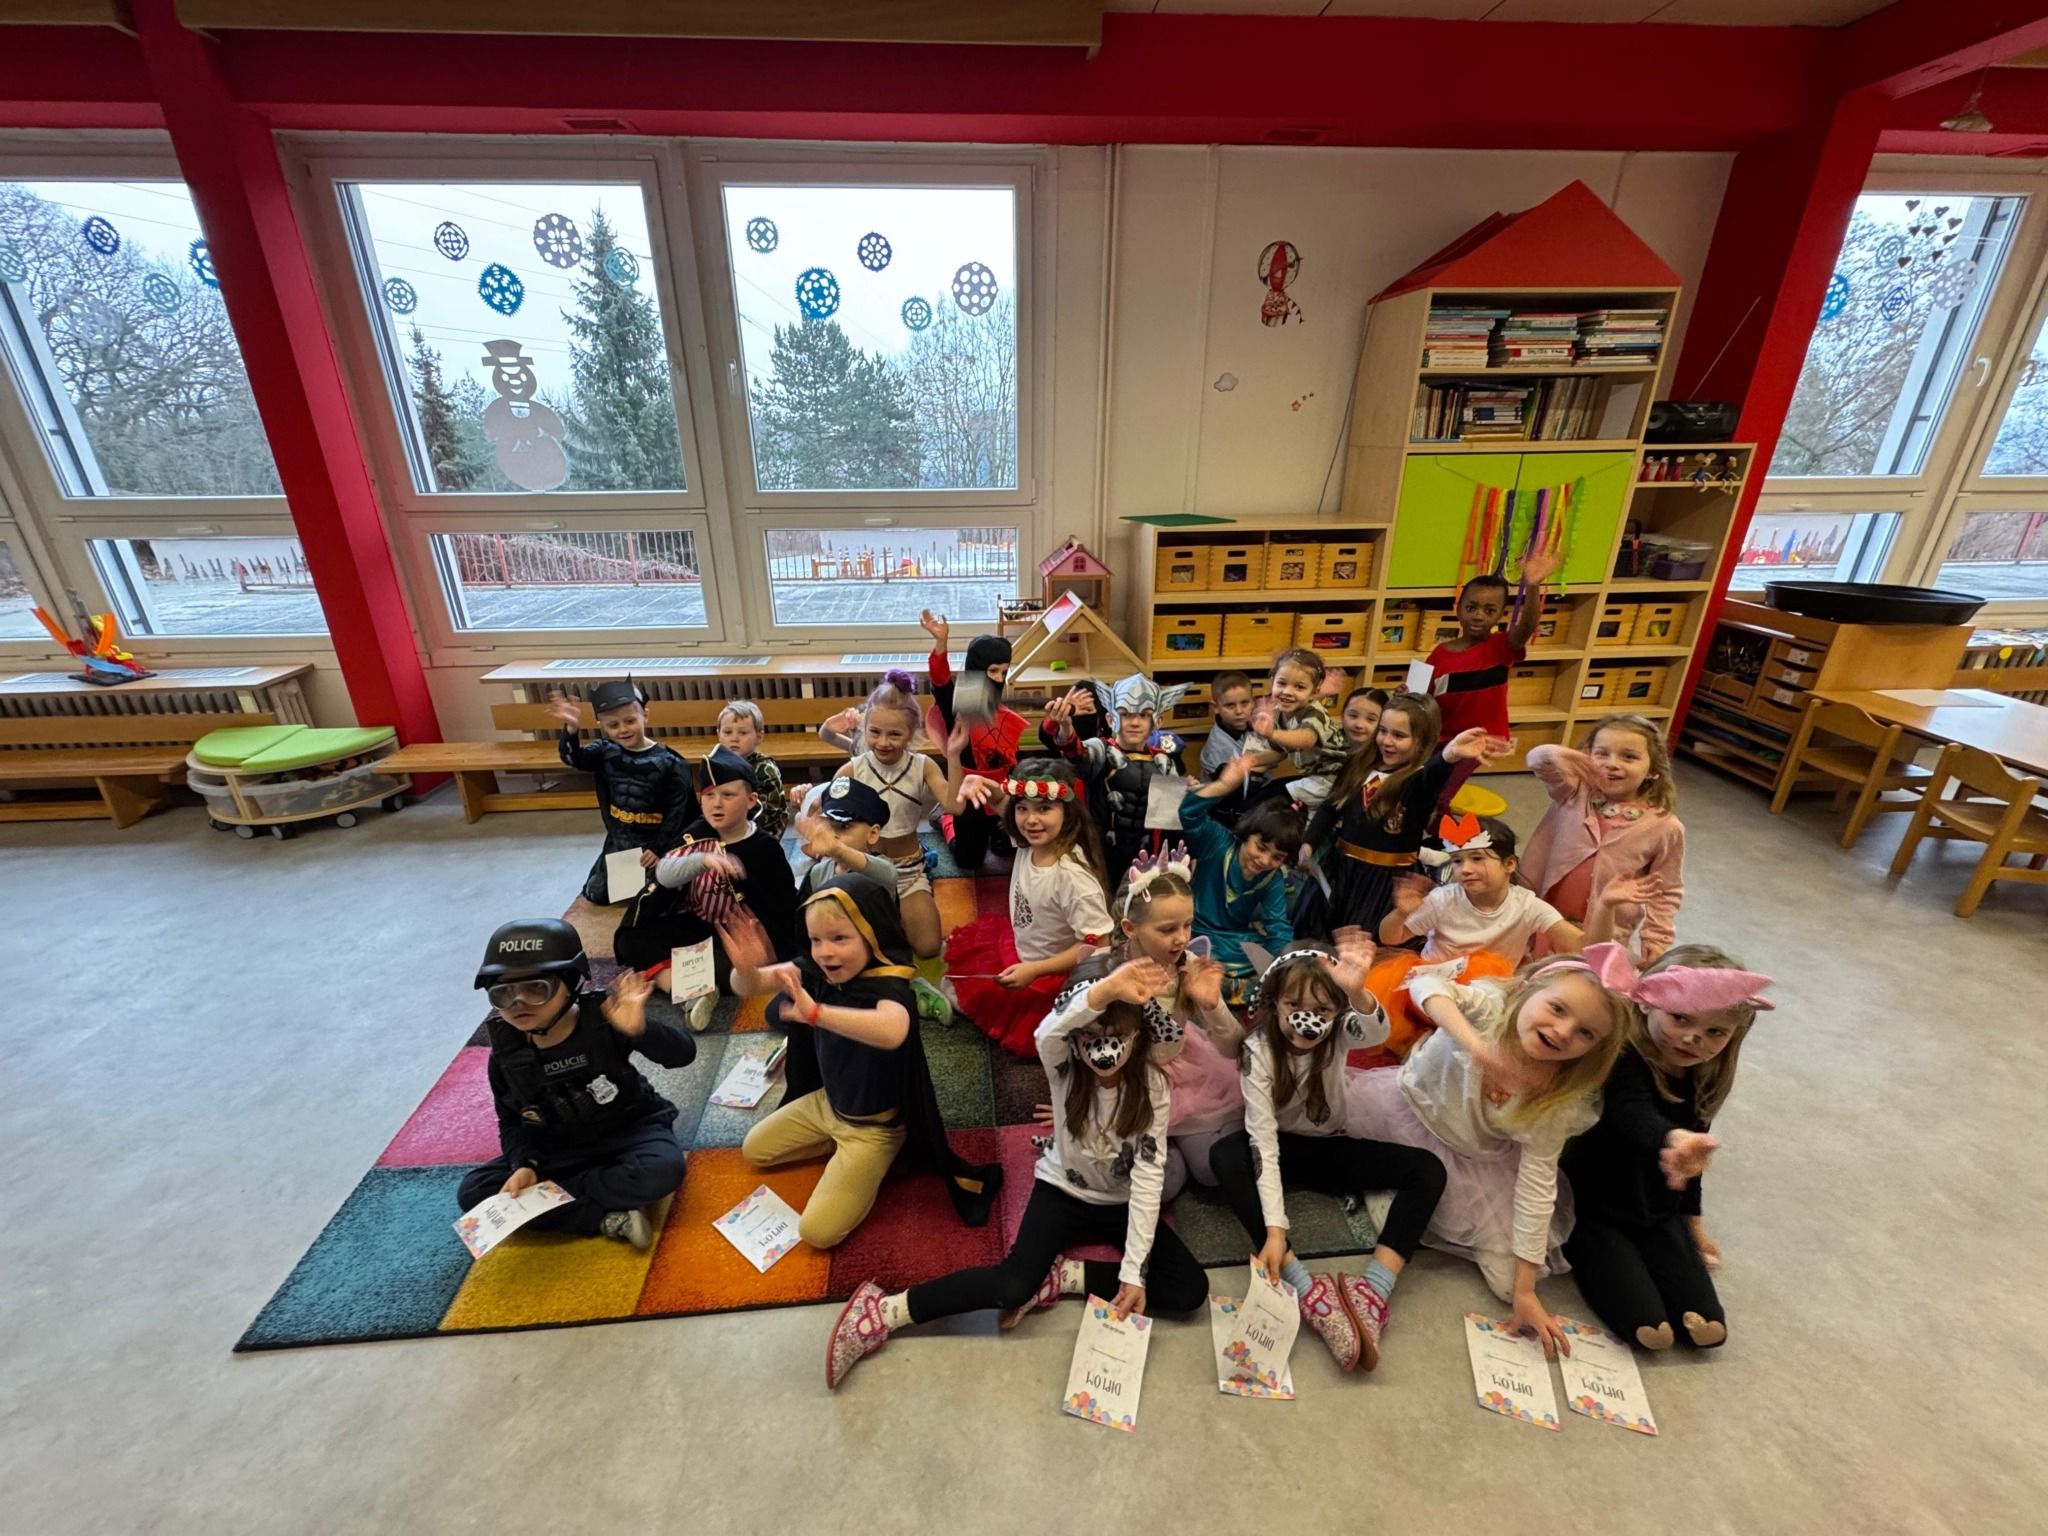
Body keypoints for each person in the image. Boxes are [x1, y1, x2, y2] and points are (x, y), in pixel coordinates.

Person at [823, 956, 1207, 1390]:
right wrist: (1104, 991)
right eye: (1091, 1037)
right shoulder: (1064, 1065)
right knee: (1011, 1287)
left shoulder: (1153, 1084)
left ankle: (1064, 1276)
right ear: (1076, 1037)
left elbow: (1149, 1177)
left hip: (1121, 1201)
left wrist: (1133, 1274)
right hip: (1063, 1190)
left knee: (1189, 1289)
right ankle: (885, 1310)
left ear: (1137, 1035)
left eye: (1117, 1036)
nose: (1105, 1050)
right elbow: (1047, 1032)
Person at [1349, 944, 1636, 1357]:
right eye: (1557, 1009)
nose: (1562, 1031)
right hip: (1405, 1110)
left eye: (1585, 1033)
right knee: (1335, 1132)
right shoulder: (1491, 1007)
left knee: (1507, 1285)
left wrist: (1524, 1290)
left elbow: (1537, 1184)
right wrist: (1478, 1049)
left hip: (1472, 1160)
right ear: (1529, 989)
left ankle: (1403, 1196)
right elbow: (1425, 985)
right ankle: (1391, 1191)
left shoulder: (1558, 1097)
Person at [725, 878, 1002, 1254]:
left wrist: (817, 1014)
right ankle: (839, 1149)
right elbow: (753, 984)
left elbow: (892, 1029)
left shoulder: (891, 984)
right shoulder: (817, 968)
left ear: (872, 934)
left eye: (839, 938)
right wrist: (746, 970)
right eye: (816, 940)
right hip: (829, 1105)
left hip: (874, 1130)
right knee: (754, 1150)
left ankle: (875, 1157)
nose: (825, 952)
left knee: (817, 1233)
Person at [1209, 936, 1449, 1371]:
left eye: (1322, 1009)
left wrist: (1357, 993)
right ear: (1274, 1003)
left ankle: (1373, 1290)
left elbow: (1376, 1031)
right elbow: (1262, 1142)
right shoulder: (1258, 1050)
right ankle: (1308, 1290)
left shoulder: (1340, 1030)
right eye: (1294, 1006)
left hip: (1331, 1145)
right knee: (1226, 1156)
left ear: (1336, 1011)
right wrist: (1275, 1231)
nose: (1307, 1020)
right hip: (1281, 1146)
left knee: (1428, 1169)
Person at [1562, 944, 1773, 1352]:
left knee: (1710, 1327)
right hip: (1595, 1208)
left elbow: (1692, 1168)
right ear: (1647, 1004)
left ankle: (1663, 1250)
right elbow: (1631, 1111)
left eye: (1715, 1032)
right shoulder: (1623, 1056)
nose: (1694, 1038)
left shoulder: (1702, 1076)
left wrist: (1693, 1221)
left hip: (1658, 1210)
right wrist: (1675, 1138)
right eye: (1680, 1018)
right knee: (1650, 1330)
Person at [460, 919, 693, 1249]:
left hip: (629, 1130)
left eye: (536, 988)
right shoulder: (504, 1054)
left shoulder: (606, 1019)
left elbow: (683, 1054)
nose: (518, 1002)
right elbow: (510, 1121)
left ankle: (561, 1199)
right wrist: (524, 1164)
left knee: (664, 1170)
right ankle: (607, 1215)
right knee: (474, 1192)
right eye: (503, 993)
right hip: (556, 1147)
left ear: (570, 982)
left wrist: (639, 1030)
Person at [1367, 815, 1621, 1058]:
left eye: (1477, 858)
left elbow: (1587, 949)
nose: (1465, 869)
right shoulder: (1443, 899)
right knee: (1388, 1004)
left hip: (1489, 993)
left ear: (1509, 865)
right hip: (1434, 984)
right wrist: (1401, 913)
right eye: (1457, 861)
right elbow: (1391, 938)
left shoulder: (1527, 906)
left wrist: (1605, 906)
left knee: (1503, 997)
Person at [613, 746, 800, 1030]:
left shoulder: (764, 848)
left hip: (743, 934)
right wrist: (702, 860)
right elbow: (664, 874)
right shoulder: (697, 833)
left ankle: (674, 981)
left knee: (738, 968)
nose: (716, 804)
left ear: (751, 801)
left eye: (728, 795)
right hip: (699, 925)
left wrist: (769, 948)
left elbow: (784, 907)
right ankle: (689, 987)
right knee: (631, 940)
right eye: (709, 795)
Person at [1298, 692, 1512, 939]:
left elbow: (1433, 775)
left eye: (1399, 736)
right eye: (1383, 731)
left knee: (1367, 943)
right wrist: (1309, 842)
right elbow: (1331, 807)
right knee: (1320, 934)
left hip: (1383, 883)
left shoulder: (1418, 782)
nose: (1387, 741)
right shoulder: (1359, 765)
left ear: (1422, 741)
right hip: (1341, 870)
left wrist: (1450, 754)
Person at [1098, 850, 1245, 1200]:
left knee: (1212, 1171)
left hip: (1185, 1072)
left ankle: (1178, 1140)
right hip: (1129, 1082)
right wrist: (1078, 1093)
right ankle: (1169, 1148)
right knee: (1161, 1186)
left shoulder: (1188, 964)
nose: (1181, 938)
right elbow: (1077, 1037)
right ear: (1130, 928)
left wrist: (1212, 1006)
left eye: (1187, 925)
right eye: (1167, 929)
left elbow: (1234, 1049)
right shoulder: (1107, 972)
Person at [943, 759, 1114, 1056]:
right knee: (955, 983)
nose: (1031, 820)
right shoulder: (1027, 841)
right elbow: (1002, 802)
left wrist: (1035, 970)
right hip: (1020, 947)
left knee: (1049, 1039)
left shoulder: (1074, 878)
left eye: (1044, 808)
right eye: (1023, 809)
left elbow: (1098, 944)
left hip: (1052, 974)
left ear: (1067, 812)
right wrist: (980, 783)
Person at [819, 669, 970, 960]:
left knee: (928, 948)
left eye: (895, 734)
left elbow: (955, 806)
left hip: (908, 870)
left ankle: (902, 910)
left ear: (911, 734)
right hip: (863, 869)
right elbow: (829, 818)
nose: (883, 742)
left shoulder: (922, 765)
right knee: (859, 949)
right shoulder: (853, 769)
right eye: (875, 732)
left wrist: (953, 756)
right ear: (865, 729)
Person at [1518, 713, 1686, 961]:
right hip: (1544, 920)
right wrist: (1560, 755)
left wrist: (1656, 937)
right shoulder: (1573, 792)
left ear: (1653, 770)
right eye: (1602, 754)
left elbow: (1666, 889)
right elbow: (1537, 760)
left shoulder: (1665, 827)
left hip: (1606, 933)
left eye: (1629, 757)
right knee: (1533, 972)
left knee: (1588, 979)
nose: (1612, 763)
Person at [1425, 549, 1560, 815]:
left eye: (1489, 610)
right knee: (1427, 782)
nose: (1478, 616)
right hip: (1443, 736)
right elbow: (1424, 696)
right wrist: (1407, 695)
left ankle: (1438, 830)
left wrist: (1532, 585)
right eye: (1471, 607)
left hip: (1482, 739)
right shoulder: (1439, 654)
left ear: (1500, 615)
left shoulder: (1500, 647)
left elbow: (1526, 628)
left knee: (1441, 793)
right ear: (1458, 608)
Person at [550, 678, 696, 905]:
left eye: (630, 721)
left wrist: (658, 848)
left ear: (645, 715)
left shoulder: (670, 763)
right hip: (621, 841)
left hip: (654, 841)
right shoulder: (604, 752)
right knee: (599, 894)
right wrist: (571, 728)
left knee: (653, 898)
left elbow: (678, 812)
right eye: (613, 725)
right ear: (601, 724)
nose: (623, 729)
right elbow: (572, 758)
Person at [1040, 674, 1189, 884]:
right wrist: (1065, 726)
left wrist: (1170, 864)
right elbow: (1076, 752)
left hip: (1144, 857)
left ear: (1157, 721)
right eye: (1125, 714)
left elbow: (1169, 826)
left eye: (1144, 715)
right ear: (1111, 719)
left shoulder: (1165, 763)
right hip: (1098, 852)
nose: (1134, 722)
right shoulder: (1101, 750)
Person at [1181, 753, 1298, 1006]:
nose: (1265, 860)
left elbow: (1277, 926)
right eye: (1261, 847)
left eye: (1277, 857)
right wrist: (1224, 785)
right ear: (1247, 834)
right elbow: (1188, 813)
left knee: (1274, 955)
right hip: (1196, 932)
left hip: (1235, 941)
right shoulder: (1218, 842)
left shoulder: (1273, 879)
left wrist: (1280, 967)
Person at [919, 609, 1025, 872]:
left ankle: (994, 830)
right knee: (969, 861)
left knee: (1008, 847)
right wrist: (941, 643)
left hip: (999, 788)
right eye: (992, 671)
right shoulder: (961, 704)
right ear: (978, 669)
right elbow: (941, 683)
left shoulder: (999, 708)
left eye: (1004, 672)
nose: (999, 678)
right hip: (967, 790)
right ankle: (945, 819)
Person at [1243, 648, 1345, 811]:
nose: (1287, 692)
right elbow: (1280, 752)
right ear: (1272, 680)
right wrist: (1249, 762)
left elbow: (1305, 740)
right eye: (1282, 683)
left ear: (1314, 691)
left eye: (1299, 687)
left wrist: (1272, 733)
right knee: (1260, 795)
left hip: (1333, 780)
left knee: (1269, 801)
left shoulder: (1314, 714)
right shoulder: (1279, 712)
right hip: (1313, 778)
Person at [790, 777, 898, 897]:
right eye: (829, 825)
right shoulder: (818, 873)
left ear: (873, 834)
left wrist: (837, 849)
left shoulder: (882, 871)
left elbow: (888, 874)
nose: (833, 834)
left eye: (844, 826)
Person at [716, 701, 787, 840]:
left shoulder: (765, 768)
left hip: (762, 833)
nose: (734, 738)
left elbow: (770, 812)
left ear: (759, 737)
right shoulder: (717, 765)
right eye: (727, 732)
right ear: (719, 735)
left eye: (743, 733)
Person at [1200, 671, 1257, 780]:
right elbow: (1229, 786)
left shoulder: (1257, 727)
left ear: (1253, 702)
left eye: (1244, 703)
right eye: (1230, 705)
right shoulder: (1218, 748)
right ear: (1216, 707)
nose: (1239, 711)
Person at [1339, 687, 1388, 752]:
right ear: (1342, 715)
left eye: (1371, 719)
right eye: (1353, 715)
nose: (1359, 725)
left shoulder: (1386, 754)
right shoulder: (1326, 744)